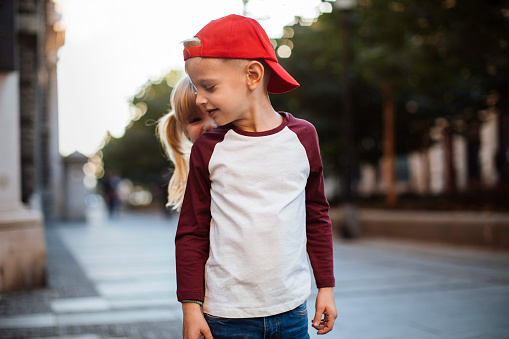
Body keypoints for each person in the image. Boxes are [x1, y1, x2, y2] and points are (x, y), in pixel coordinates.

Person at [176, 14, 337, 339]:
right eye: (196, 88)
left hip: (293, 310)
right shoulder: (208, 148)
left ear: (252, 75)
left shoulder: (303, 138)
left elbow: (316, 216)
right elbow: (192, 232)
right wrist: (191, 308)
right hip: (227, 317)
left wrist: (326, 286)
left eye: (209, 86)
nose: (199, 98)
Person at [157, 76, 217, 211]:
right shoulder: (198, 176)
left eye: (214, 111)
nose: (208, 125)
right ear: (185, 131)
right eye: (196, 119)